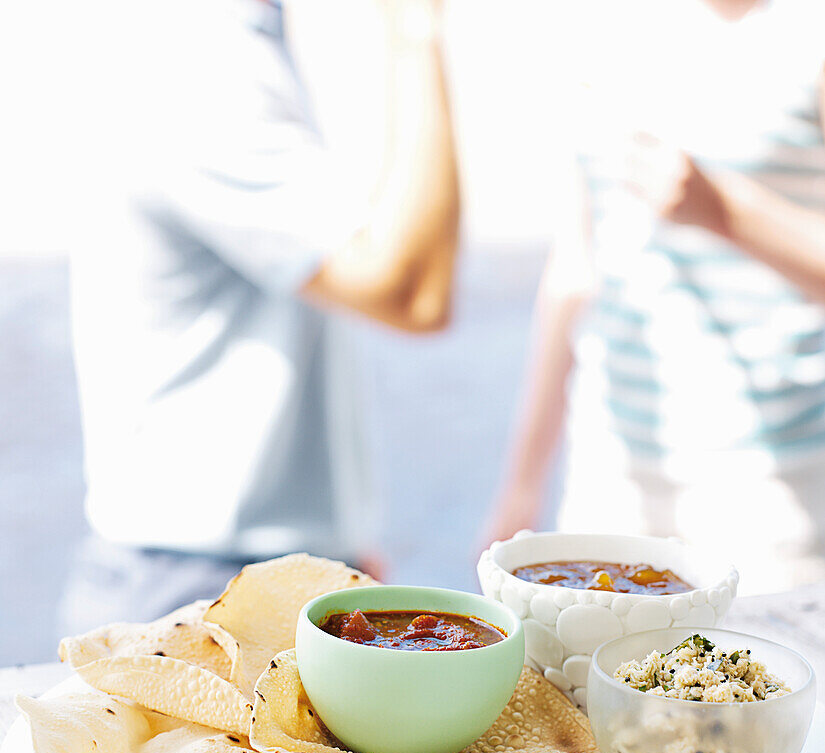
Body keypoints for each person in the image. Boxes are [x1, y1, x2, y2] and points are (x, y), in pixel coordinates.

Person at [62, 0, 458, 631]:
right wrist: (415, 28)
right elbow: (412, 292)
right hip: (208, 584)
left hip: (231, 564)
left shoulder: (217, 43)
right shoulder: (208, 63)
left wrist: (338, 552)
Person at [486, 0, 825, 592]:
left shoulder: (805, 31)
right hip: (610, 477)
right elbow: (575, 269)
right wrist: (521, 484)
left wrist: (726, 211)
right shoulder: (606, 29)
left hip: (773, 493)